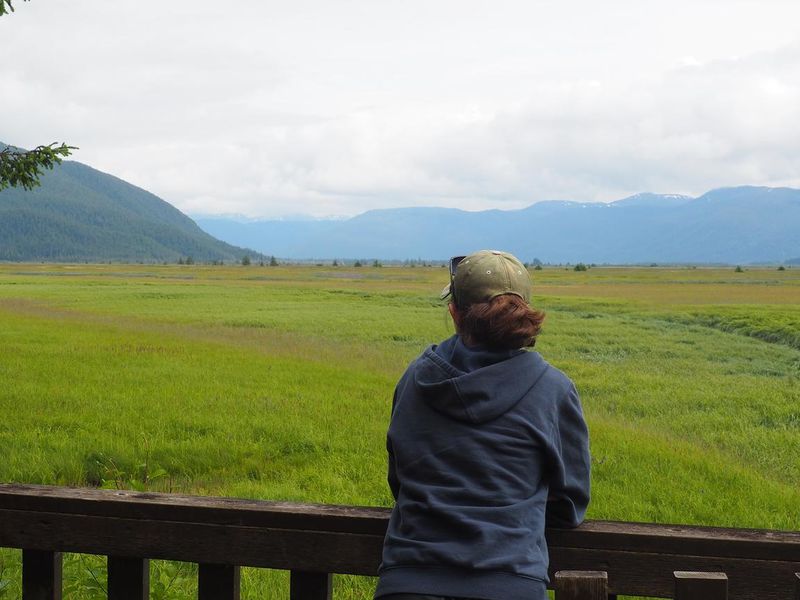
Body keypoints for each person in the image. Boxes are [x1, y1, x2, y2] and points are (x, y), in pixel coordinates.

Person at [375, 250, 591, 600]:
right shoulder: (553, 389)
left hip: (408, 580)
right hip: (509, 583)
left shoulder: (415, 378)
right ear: (521, 315)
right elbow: (569, 504)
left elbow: (399, 480)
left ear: (455, 313)